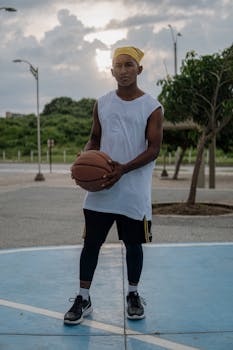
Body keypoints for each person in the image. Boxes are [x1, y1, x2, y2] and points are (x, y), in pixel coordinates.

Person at [64, 46, 163, 325]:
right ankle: (83, 297)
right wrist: (84, 158)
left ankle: (133, 295)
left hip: (132, 188)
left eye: (129, 65)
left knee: (133, 244)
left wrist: (123, 169)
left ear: (139, 70)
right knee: (91, 243)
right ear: (111, 71)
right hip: (102, 188)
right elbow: (94, 138)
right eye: (118, 66)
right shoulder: (102, 102)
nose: (123, 70)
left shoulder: (152, 106)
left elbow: (154, 149)